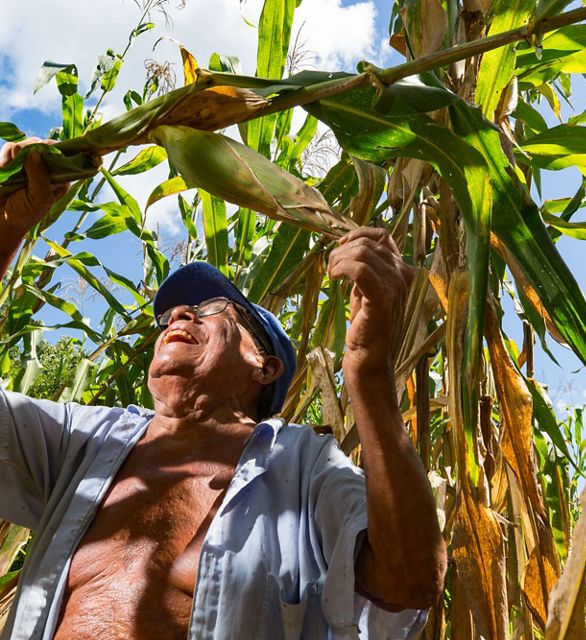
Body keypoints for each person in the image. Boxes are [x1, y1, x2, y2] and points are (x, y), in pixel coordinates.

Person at [0, 138, 446, 640]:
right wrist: (9, 225)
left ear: (265, 365)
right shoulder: (86, 440)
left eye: (212, 308)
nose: (179, 316)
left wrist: (367, 376)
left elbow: (409, 581)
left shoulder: (302, 466)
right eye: (167, 316)